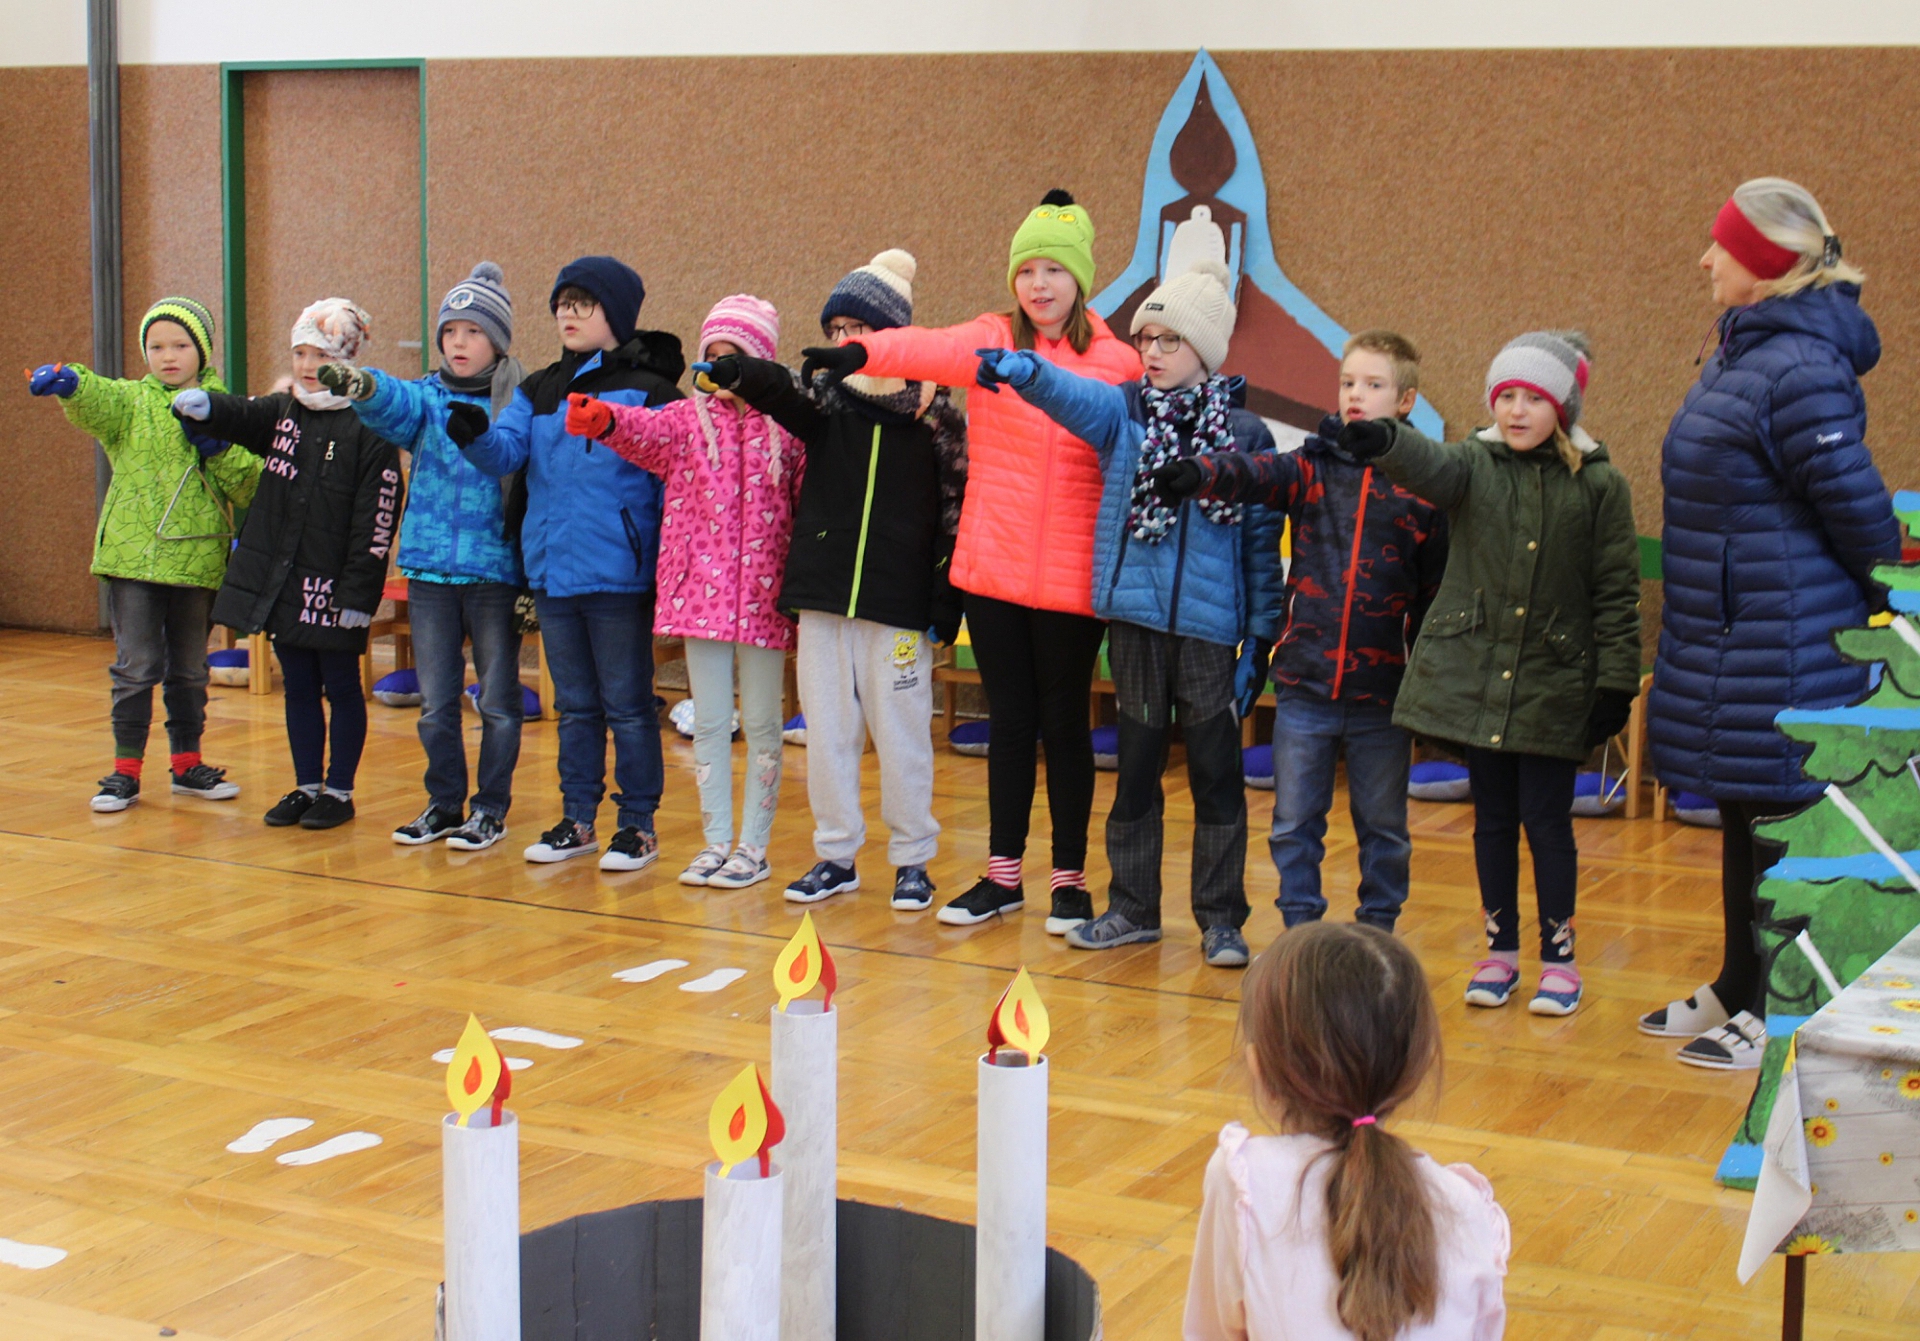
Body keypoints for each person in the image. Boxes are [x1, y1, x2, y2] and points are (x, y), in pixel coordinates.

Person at [801, 191, 1140, 932]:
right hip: (992, 572)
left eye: (1055, 269)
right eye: (1027, 270)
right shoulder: (989, 339)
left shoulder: (1117, 362)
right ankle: (1002, 876)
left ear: (1081, 278)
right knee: (1010, 724)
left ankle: (1070, 880)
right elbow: (926, 347)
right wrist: (860, 353)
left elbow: (1108, 436)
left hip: (1073, 580)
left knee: (1065, 727)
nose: (1039, 284)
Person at [1644, 178, 1900, 1069]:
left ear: (1763, 264)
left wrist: (1891, 601)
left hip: (1789, 638)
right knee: (1745, 811)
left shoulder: (1799, 368)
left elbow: (1857, 507)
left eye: (1721, 245)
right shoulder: (1744, 351)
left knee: (1784, 828)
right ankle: (1737, 981)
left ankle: (1780, 1005)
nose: (1705, 259)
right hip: (1736, 634)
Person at [974, 259, 1282, 967]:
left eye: (1169, 340)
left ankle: (1221, 919)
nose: (1152, 352)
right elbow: (1069, 394)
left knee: (1216, 777)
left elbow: (1261, 549)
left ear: (1205, 349)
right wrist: (1025, 371)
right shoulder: (1125, 413)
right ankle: (1134, 908)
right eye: (1146, 338)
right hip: (1135, 624)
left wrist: (1261, 639)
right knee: (1137, 770)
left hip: (1209, 633)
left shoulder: (1246, 435)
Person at [1335, 332, 1641, 1016]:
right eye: (1506, 396)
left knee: (1547, 823)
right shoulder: (1473, 464)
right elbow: (1428, 464)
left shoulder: (1600, 485)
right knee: (1493, 821)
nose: (1517, 410)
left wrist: (1616, 680)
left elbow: (1617, 591)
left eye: (1533, 397)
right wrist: (1384, 439)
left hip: (1553, 686)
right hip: (1482, 683)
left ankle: (1559, 958)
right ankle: (1500, 953)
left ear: (1562, 407)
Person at [690, 252, 968, 910]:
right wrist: (739, 372)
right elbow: (779, 390)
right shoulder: (825, 401)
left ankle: (913, 860)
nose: (843, 340)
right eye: (834, 328)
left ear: (891, 335)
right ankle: (836, 854)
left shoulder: (937, 415)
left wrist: (944, 597)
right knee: (829, 733)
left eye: (856, 329)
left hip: (898, 606)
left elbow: (956, 509)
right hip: (823, 598)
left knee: (901, 733)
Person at [1155, 329, 1446, 934]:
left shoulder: (1424, 488)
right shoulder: (1312, 467)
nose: (1355, 395)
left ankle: (1377, 930)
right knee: (1293, 823)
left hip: (1382, 698)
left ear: (1406, 401)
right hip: (1304, 686)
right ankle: (1300, 930)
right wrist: (1199, 472)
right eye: (1348, 382)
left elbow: (1433, 598)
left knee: (1384, 827)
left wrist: (1428, 687)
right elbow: (1252, 472)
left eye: (1373, 384)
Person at [566, 294, 807, 889]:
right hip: (700, 597)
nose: (718, 369)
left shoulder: (789, 427)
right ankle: (716, 841)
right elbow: (642, 431)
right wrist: (604, 419)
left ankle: (754, 846)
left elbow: (808, 502)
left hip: (766, 602)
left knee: (763, 723)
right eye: (712, 356)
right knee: (710, 722)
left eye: (733, 357)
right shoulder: (687, 421)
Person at [454, 256, 681, 871]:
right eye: (561, 304)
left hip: (620, 574)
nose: (567, 315)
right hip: (554, 572)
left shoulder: (653, 390)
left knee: (628, 706)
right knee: (575, 705)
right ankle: (578, 817)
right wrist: (474, 435)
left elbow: (670, 475)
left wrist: (667, 569)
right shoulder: (539, 388)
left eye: (583, 304)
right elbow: (506, 452)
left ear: (616, 314)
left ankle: (637, 826)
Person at [1184, 922, 1508, 1340]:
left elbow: (1209, 1332)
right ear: (1417, 1065)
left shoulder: (1245, 1179)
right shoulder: (1466, 1206)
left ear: (1258, 1065)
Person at [316, 261, 528, 852]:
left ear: (498, 342)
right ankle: (444, 802)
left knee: (498, 702)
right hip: (430, 570)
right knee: (436, 704)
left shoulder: (518, 399)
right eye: (450, 332)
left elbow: (513, 457)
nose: (459, 343)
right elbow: (394, 403)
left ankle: (490, 809)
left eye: (473, 332)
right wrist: (363, 386)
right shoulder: (428, 398)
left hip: (494, 571)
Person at [174, 298, 404, 830]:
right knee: (298, 684)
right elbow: (245, 414)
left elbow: (377, 520)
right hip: (285, 582)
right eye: (299, 353)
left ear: (345, 360)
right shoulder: (285, 412)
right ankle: (306, 786)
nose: (306, 365)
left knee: (340, 686)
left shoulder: (371, 429)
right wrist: (209, 406)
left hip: (336, 588)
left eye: (319, 354)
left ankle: (339, 791)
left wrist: (359, 593)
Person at [29, 298, 258, 813]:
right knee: (137, 667)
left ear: (202, 351)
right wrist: (72, 384)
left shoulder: (228, 410)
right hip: (132, 560)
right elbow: (99, 397)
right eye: (156, 347)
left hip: (197, 562)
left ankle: (187, 765)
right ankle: (125, 772)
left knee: (190, 670)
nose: (168, 356)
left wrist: (219, 449)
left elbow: (249, 485)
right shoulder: (132, 402)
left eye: (180, 345)